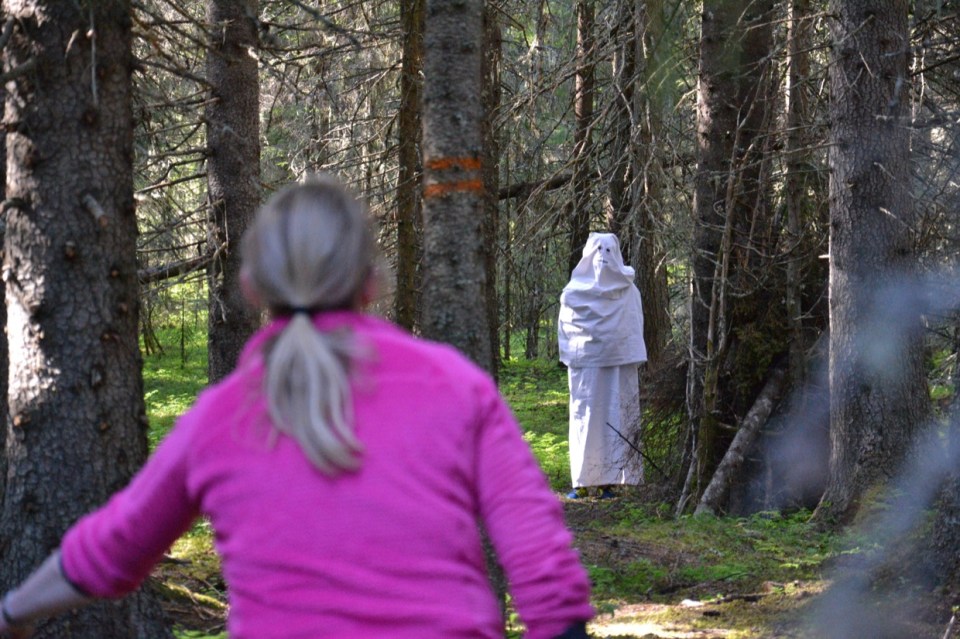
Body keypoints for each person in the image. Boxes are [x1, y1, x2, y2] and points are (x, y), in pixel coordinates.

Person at [0, 176, 594, 639]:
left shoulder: (219, 418)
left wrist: (12, 614)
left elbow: (112, 549)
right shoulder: (456, 387)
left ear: (252, 286)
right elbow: (542, 565)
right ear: (371, 281)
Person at [558, 232, 647, 500]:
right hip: (587, 369)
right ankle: (583, 480)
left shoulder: (629, 291)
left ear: (616, 255)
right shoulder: (573, 293)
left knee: (617, 416)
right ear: (589, 254)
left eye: (608, 251)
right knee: (585, 419)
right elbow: (566, 329)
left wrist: (620, 349)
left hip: (618, 368)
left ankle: (613, 480)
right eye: (598, 251)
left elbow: (634, 325)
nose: (603, 257)